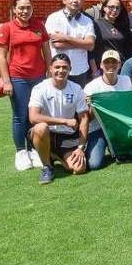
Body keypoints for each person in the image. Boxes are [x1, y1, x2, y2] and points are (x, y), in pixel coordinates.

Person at [0, 0, 52, 171]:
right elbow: (1, 56)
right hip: (18, 77)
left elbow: (47, 51)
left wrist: (50, 72)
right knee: (20, 116)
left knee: (34, 114)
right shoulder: (7, 28)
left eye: (28, 7)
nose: (25, 11)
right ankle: (21, 151)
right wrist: (6, 81)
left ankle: (33, 149)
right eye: (21, 7)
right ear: (14, 9)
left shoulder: (39, 26)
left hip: (39, 77)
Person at [28, 54, 89, 185]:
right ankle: (47, 167)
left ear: (70, 69)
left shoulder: (76, 89)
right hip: (46, 134)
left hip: (65, 137)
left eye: (64, 67)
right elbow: (33, 117)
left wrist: (80, 147)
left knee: (79, 169)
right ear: (50, 68)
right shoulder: (40, 88)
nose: (61, 71)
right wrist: (65, 121)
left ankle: (54, 155)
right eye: (57, 67)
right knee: (41, 127)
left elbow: (84, 119)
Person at [83, 50, 132, 170]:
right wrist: (92, 107)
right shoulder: (91, 87)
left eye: (114, 62)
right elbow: (87, 119)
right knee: (94, 164)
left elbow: (128, 107)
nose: (111, 65)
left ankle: (116, 148)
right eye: (107, 62)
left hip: (118, 127)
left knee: (125, 156)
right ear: (101, 65)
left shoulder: (126, 81)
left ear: (119, 65)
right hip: (97, 129)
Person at [45, 0, 95, 87]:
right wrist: (82, 43)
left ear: (83, 1)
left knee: (77, 101)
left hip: (80, 69)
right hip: (59, 69)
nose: (75, 0)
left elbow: (90, 45)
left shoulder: (87, 20)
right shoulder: (54, 18)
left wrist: (65, 37)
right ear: (64, 0)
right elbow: (57, 44)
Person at [90, 0, 132, 76]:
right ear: (104, 8)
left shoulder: (124, 25)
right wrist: (94, 69)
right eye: (111, 7)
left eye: (117, 8)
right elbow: (91, 49)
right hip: (102, 67)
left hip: (120, 67)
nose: (114, 10)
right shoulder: (96, 24)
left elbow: (127, 48)